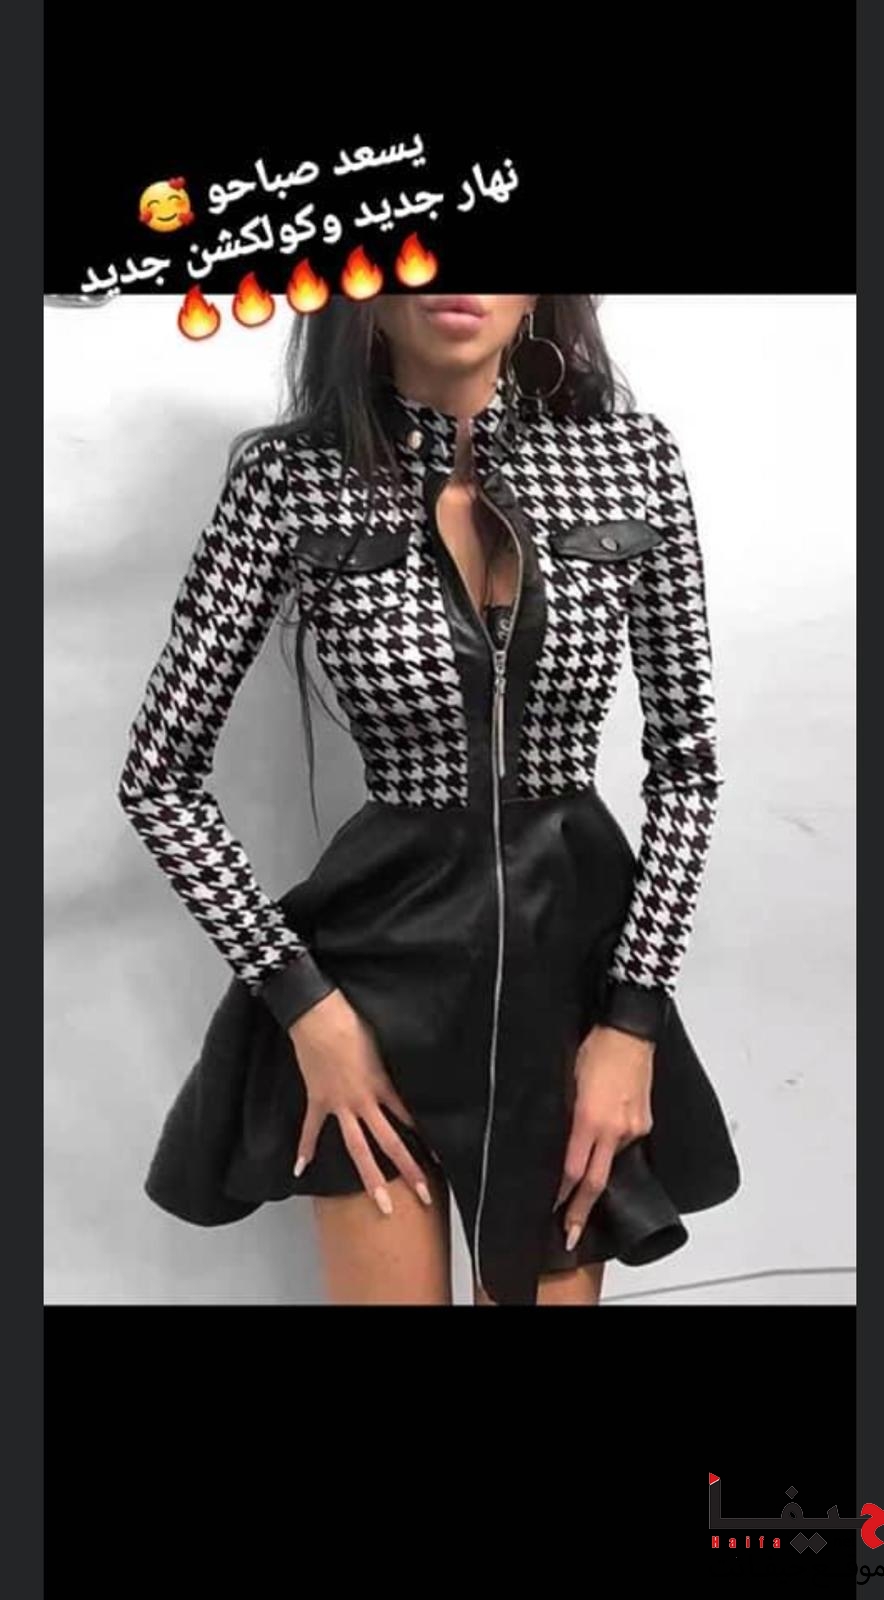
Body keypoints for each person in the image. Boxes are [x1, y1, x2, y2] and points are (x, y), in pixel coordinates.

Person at [117, 293, 740, 1307]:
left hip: (570, 988)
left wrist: (632, 1021)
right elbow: (158, 777)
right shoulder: (291, 481)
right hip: (367, 991)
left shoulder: (632, 460)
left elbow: (688, 765)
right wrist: (307, 1010)